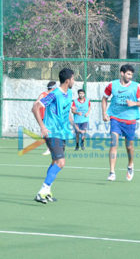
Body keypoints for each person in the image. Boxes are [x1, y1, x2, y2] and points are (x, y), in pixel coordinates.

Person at [32, 68, 75, 203]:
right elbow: (35, 107)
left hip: (62, 133)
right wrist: (42, 127)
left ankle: (47, 191)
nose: (74, 81)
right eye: (73, 79)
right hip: (51, 132)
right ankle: (42, 191)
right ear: (67, 80)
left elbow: (67, 112)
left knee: (54, 161)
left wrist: (74, 126)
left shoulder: (70, 94)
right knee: (61, 162)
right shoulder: (54, 94)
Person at [102, 64, 140, 182]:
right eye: (128, 74)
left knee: (129, 146)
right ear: (122, 73)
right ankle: (112, 172)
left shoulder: (136, 87)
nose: (130, 76)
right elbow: (104, 98)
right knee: (113, 143)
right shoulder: (112, 85)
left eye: (132, 74)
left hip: (130, 120)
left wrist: (134, 103)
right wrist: (104, 113)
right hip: (115, 118)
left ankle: (130, 165)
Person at [36, 81, 57, 155]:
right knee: (45, 133)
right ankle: (50, 148)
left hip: (51, 117)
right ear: (53, 88)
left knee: (52, 132)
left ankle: (51, 148)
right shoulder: (44, 94)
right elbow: (36, 103)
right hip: (43, 116)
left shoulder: (55, 95)